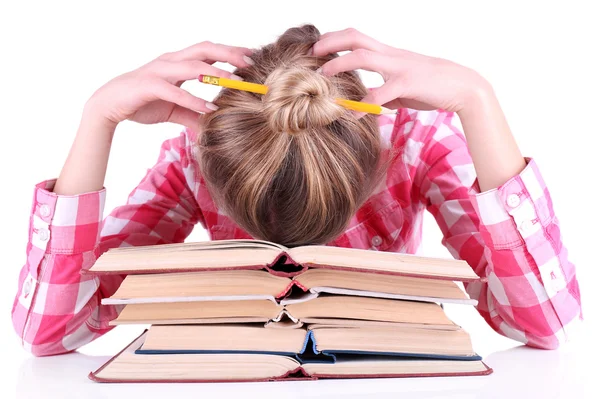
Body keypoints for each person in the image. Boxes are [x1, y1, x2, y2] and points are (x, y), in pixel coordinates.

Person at [12, 25, 581, 356]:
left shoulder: (413, 144)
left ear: (373, 161)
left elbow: (543, 324)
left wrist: (479, 102)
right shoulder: (194, 156)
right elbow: (52, 331)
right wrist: (96, 120)